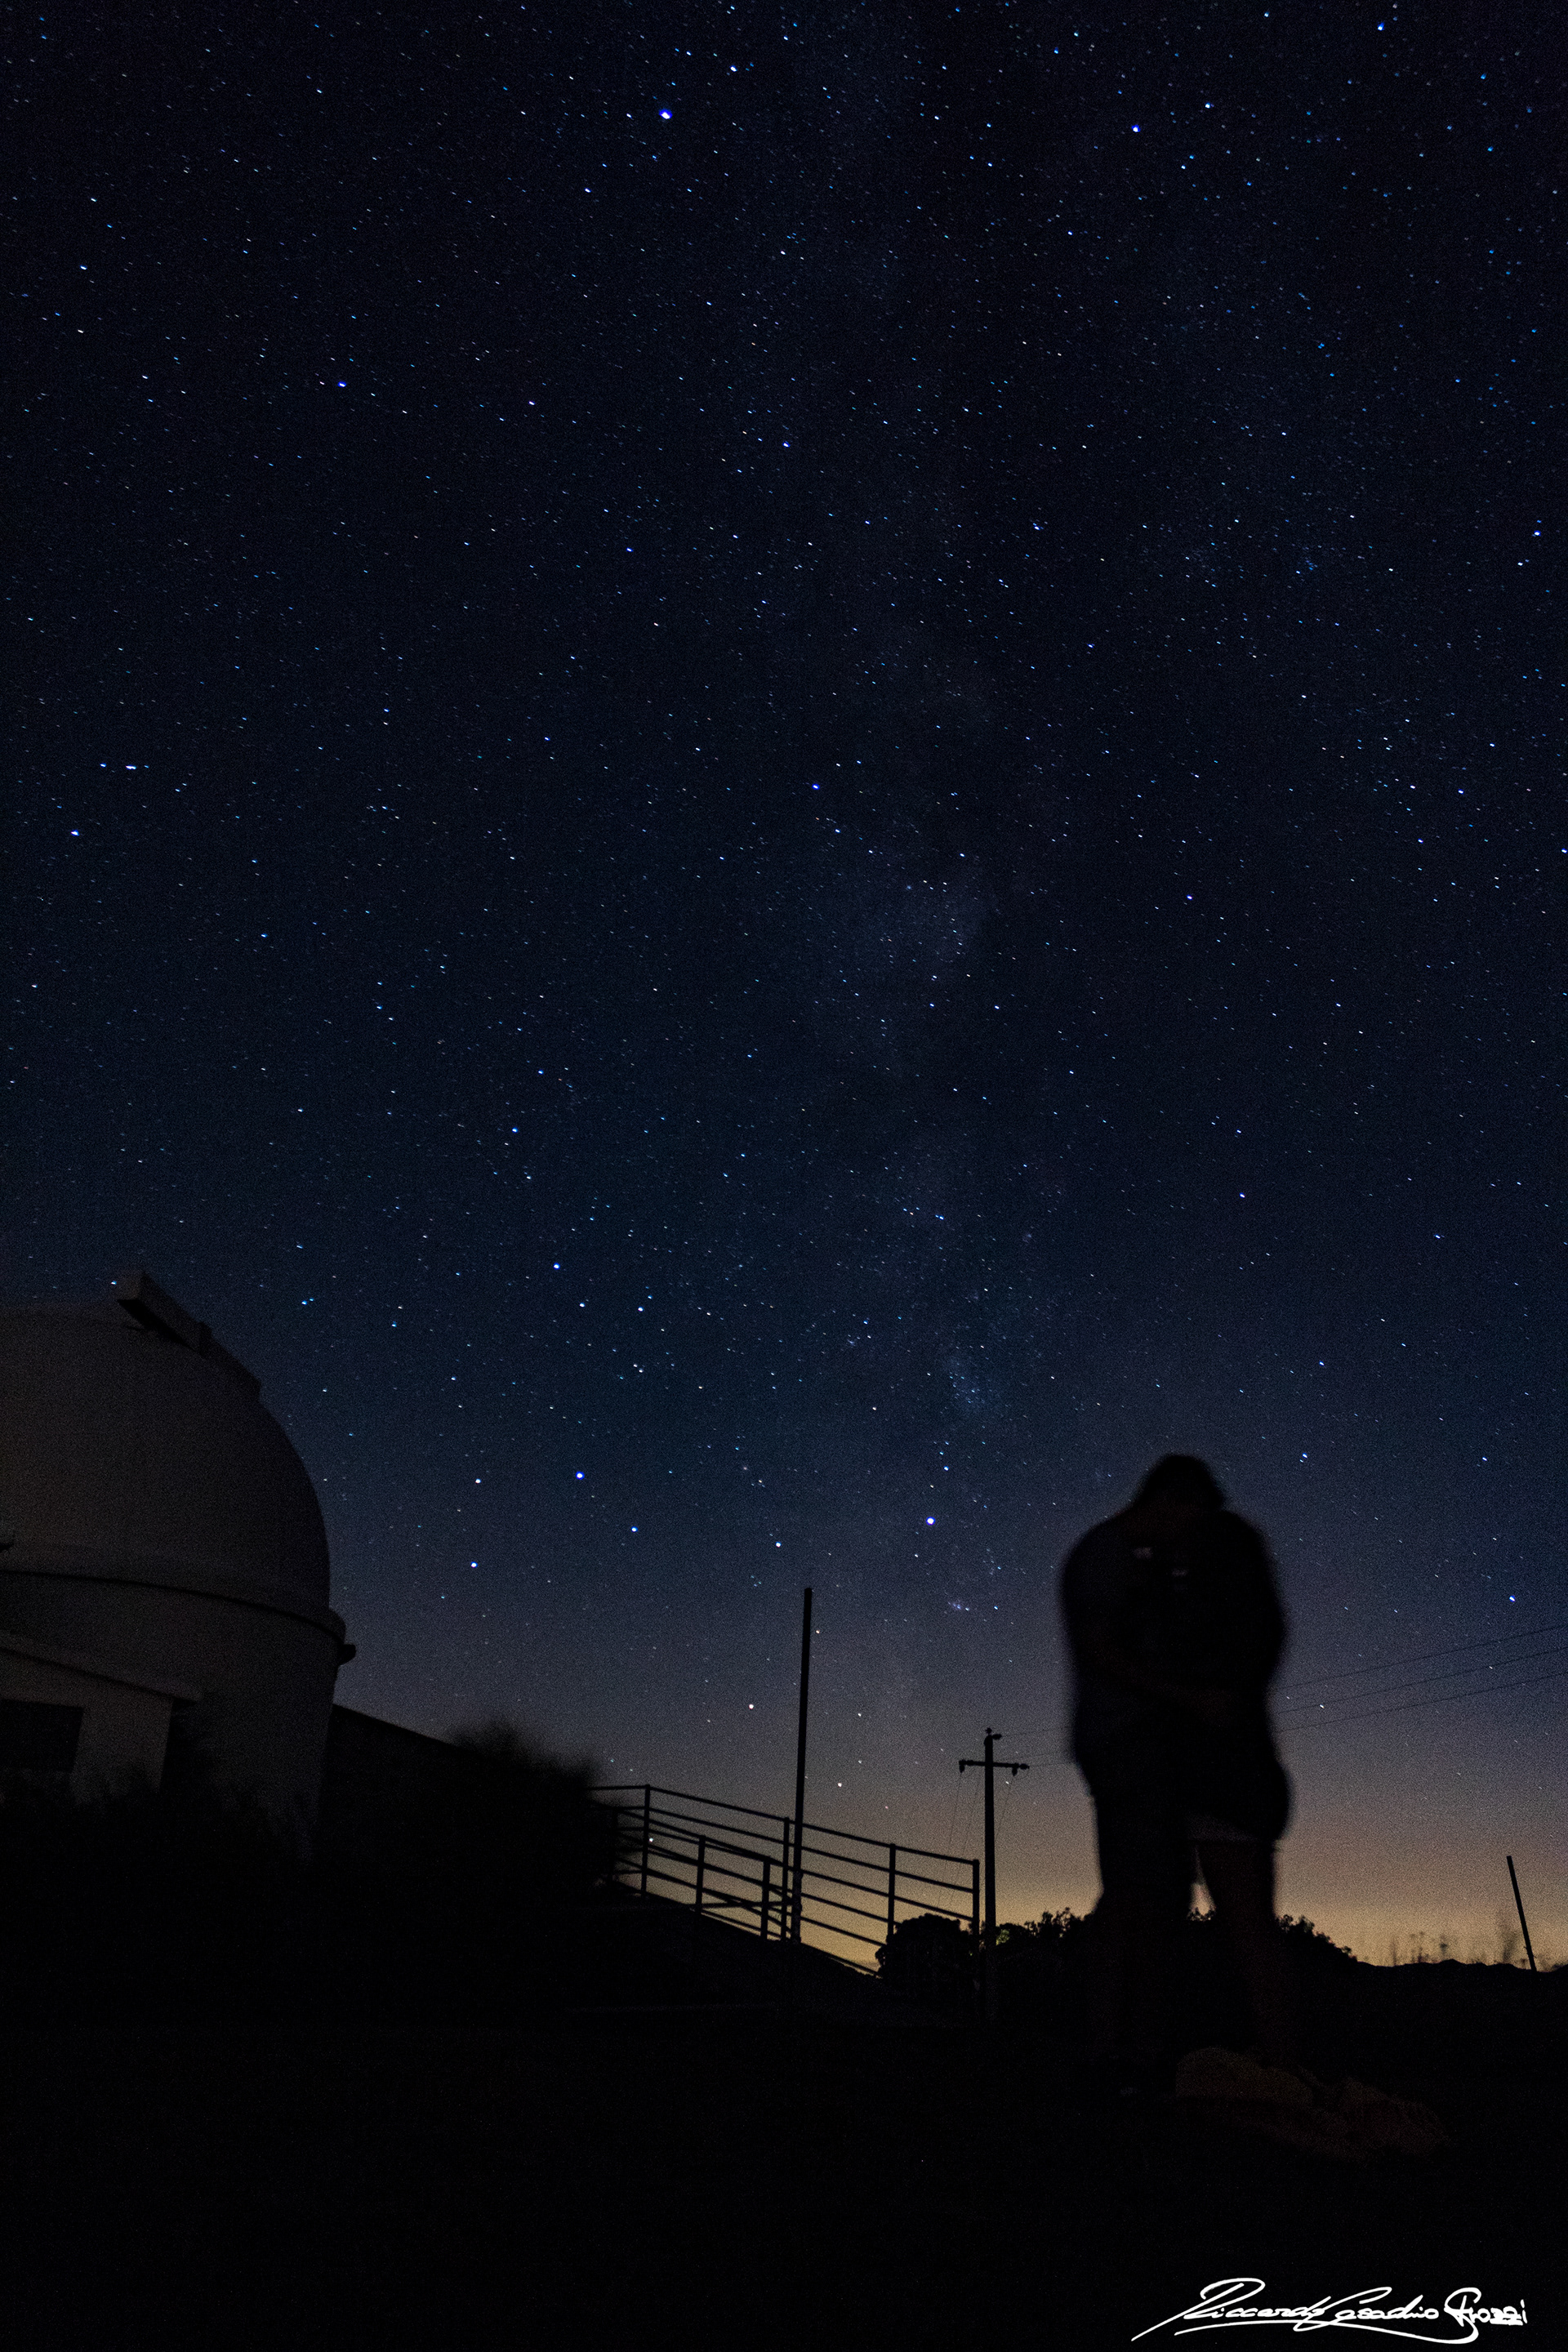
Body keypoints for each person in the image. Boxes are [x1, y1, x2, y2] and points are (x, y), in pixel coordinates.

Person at [1059, 1454, 1293, 2088]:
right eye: (1190, 1519)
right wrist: (1188, 1700)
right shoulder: (1114, 1560)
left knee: (1154, 1900)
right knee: (1144, 1899)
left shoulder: (1156, 1570)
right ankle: (1121, 2049)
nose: (1190, 1537)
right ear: (1170, 1502)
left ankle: (1133, 2050)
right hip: (1135, 1749)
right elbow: (1103, 1652)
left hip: (1179, 1760)